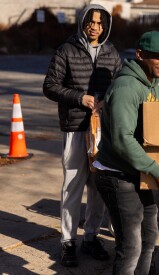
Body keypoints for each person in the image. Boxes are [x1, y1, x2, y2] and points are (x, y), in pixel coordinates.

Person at [94, 31, 159, 274]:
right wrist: (158, 170)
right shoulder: (126, 88)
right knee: (131, 246)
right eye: (157, 56)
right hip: (117, 174)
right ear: (140, 55)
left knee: (150, 239)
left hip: (141, 173)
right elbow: (123, 140)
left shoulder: (155, 87)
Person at [43, 4, 121, 267]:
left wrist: (107, 102)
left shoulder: (112, 53)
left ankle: (91, 236)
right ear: (83, 21)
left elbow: (120, 85)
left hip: (102, 130)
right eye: (91, 21)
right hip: (75, 128)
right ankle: (67, 241)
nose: (95, 27)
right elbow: (50, 85)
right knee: (72, 185)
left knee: (99, 187)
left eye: (100, 23)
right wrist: (80, 98)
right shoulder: (66, 50)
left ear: (106, 26)